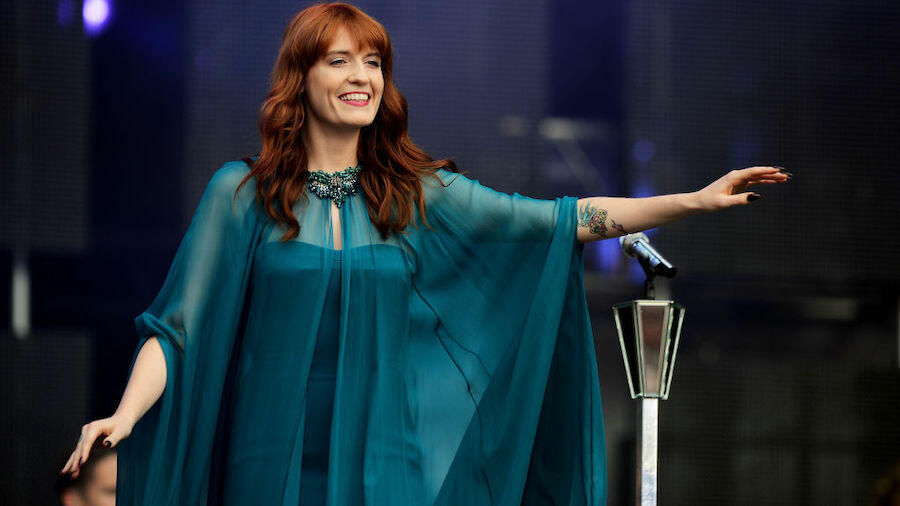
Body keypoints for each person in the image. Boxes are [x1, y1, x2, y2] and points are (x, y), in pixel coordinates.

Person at [60, 3, 789, 505]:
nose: (362, 76)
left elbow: (559, 220)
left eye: (373, 62)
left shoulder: (412, 194)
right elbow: (177, 329)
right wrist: (124, 415)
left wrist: (692, 201)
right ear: (300, 78)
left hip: (387, 460)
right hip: (270, 453)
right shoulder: (242, 194)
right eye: (339, 60)